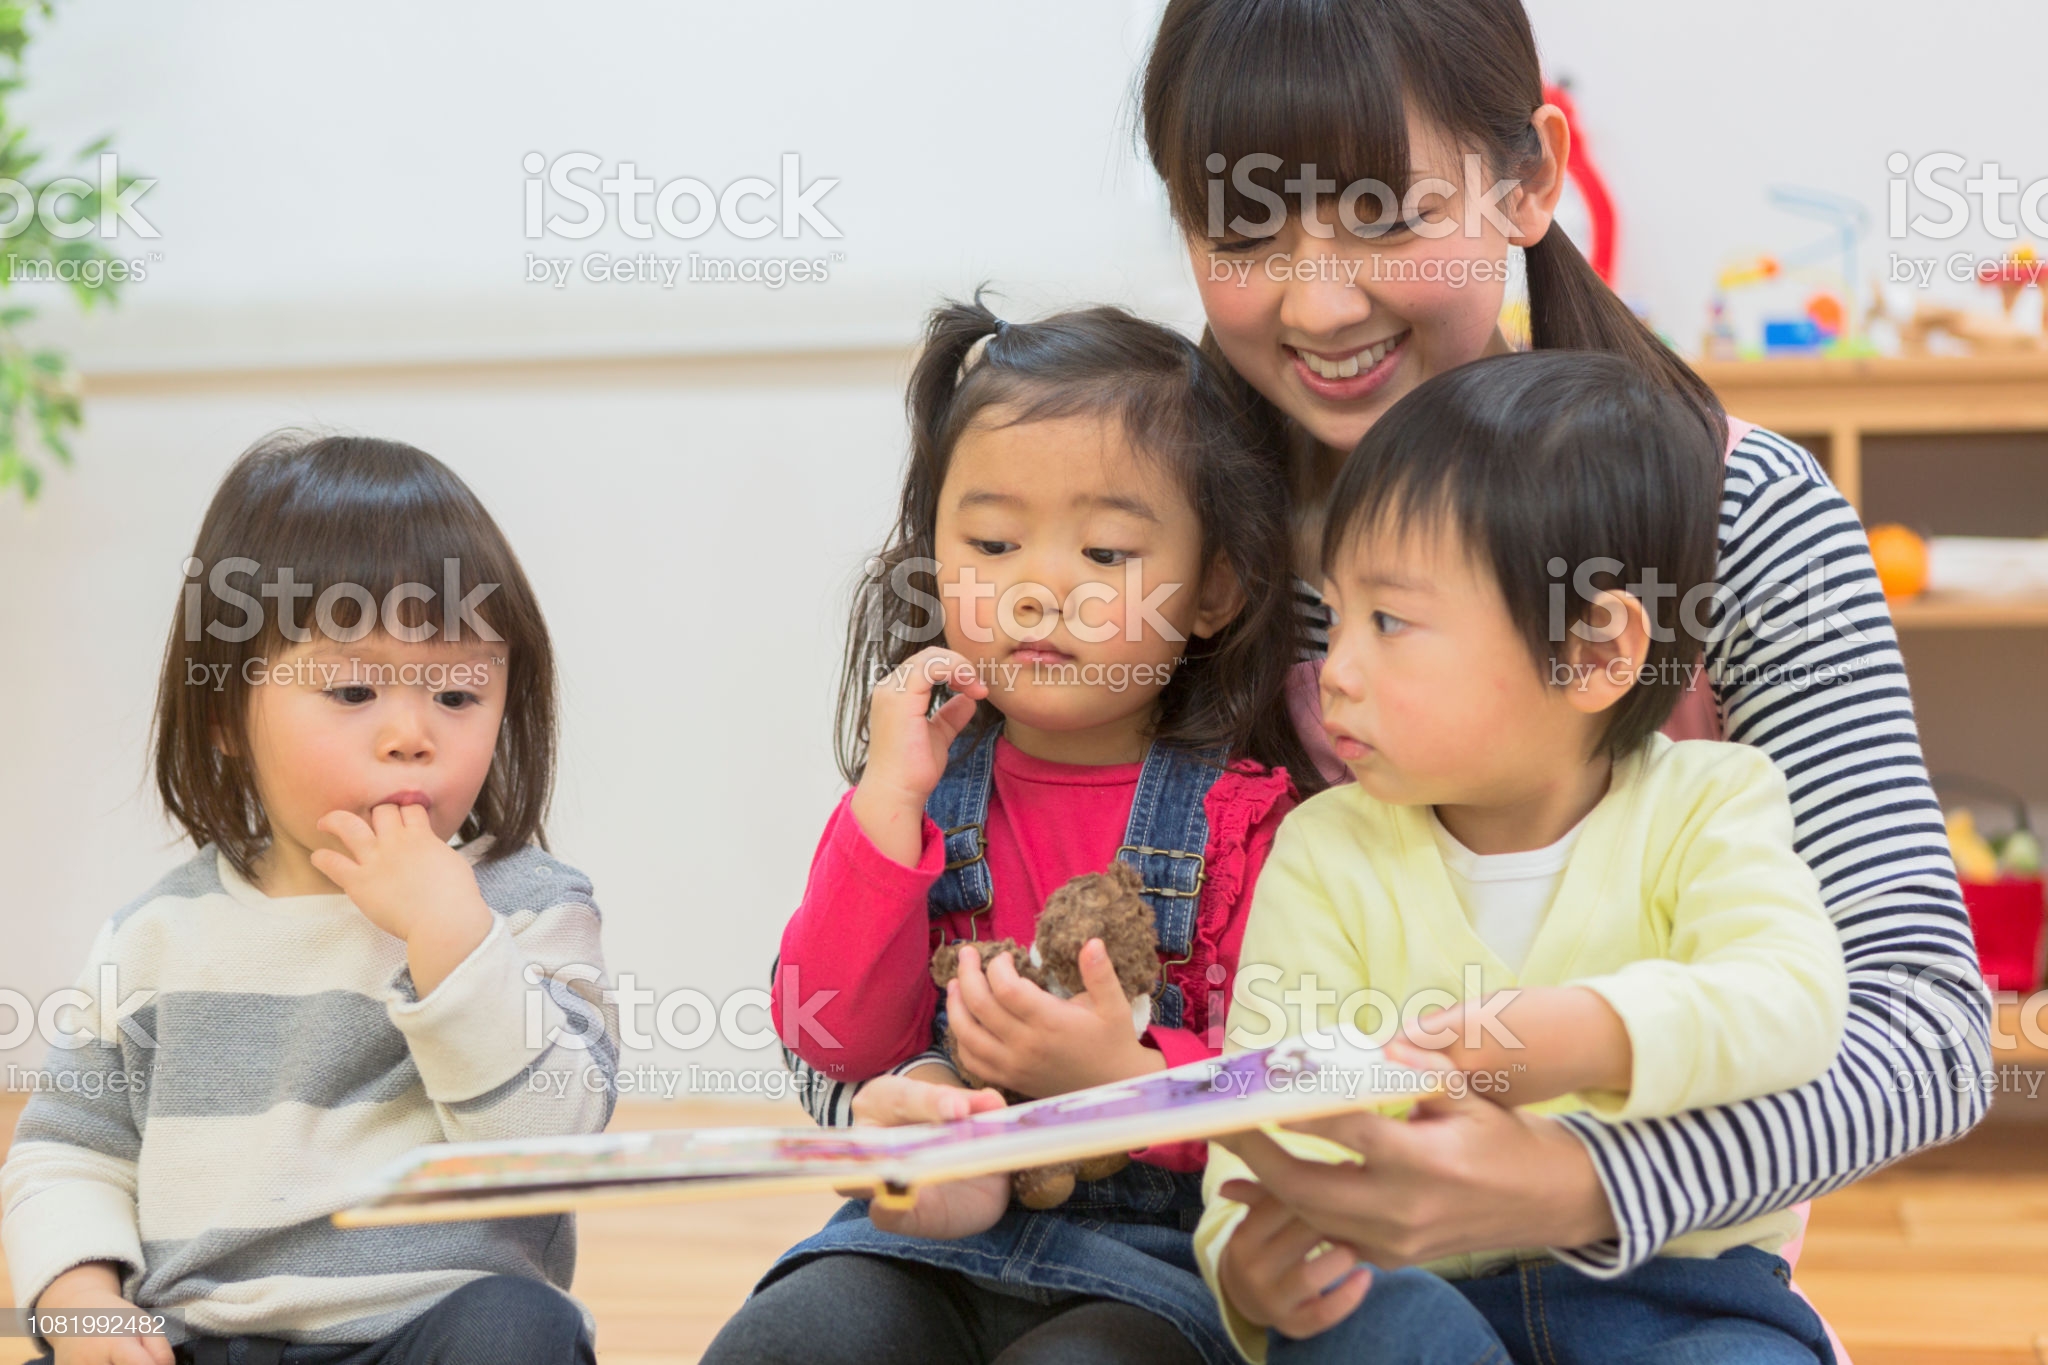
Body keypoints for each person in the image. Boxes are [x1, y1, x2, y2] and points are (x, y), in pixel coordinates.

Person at [1136, 0, 1988, 1285]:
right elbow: (890, 966)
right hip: (1230, 1270)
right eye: (1243, 227)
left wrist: (1574, 1184)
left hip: (1649, 1279)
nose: (1316, 303)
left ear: (1527, 178)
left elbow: (1923, 1029)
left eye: (1383, 214)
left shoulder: (1734, 515)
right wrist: (923, 1081)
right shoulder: (1140, 538)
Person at [1203, 351, 1848, 1363]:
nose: (1334, 673)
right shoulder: (1325, 848)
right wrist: (1242, 1264)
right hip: (1410, 1293)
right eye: (1337, 615)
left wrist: (1580, 1035)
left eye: (1390, 622)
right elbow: (1261, 1102)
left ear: (1591, 652)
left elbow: (1794, 1001)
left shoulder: (1708, 802)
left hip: (1679, 1289)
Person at [707, 299, 1318, 1365]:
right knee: (788, 1340)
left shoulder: (1248, 820)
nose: (1039, 590)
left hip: (1153, 1268)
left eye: (1105, 552)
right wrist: (887, 806)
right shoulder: (916, 789)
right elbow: (833, 1037)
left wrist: (1123, 1074)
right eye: (991, 543)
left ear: (1214, 589)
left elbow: (1283, 1092)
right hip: (917, 1246)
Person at [1, 433, 617, 1365]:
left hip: (425, 1328)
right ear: (224, 719)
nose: (412, 733)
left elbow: (551, 1143)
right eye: (355, 687)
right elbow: (65, 1154)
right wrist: (84, 1303)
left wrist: (451, 933)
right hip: (199, 1336)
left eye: (456, 692)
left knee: (523, 1329)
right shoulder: (157, 936)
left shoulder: (530, 909)